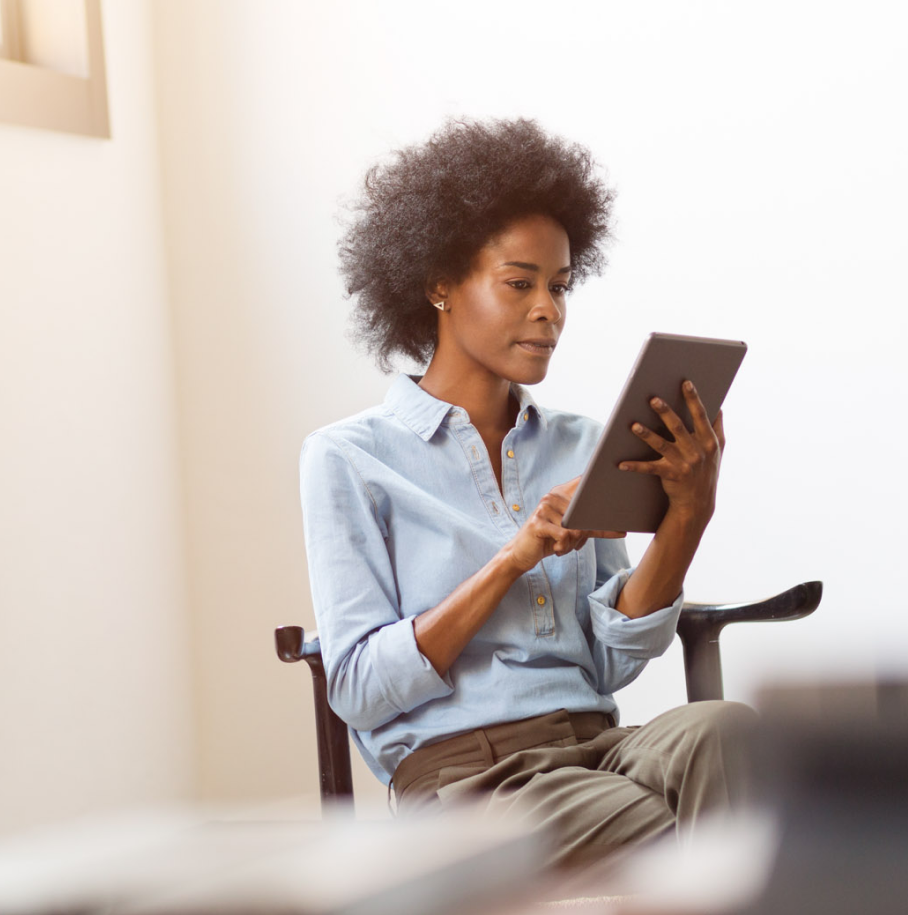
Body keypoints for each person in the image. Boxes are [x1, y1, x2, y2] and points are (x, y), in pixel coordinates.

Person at [299, 117, 754, 878]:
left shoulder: (582, 443)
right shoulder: (349, 458)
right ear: (438, 283)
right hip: (463, 783)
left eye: (560, 285)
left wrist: (687, 517)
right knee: (679, 825)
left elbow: (611, 662)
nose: (550, 309)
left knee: (731, 736)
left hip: (599, 747)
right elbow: (358, 689)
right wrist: (512, 560)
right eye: (520, 283)